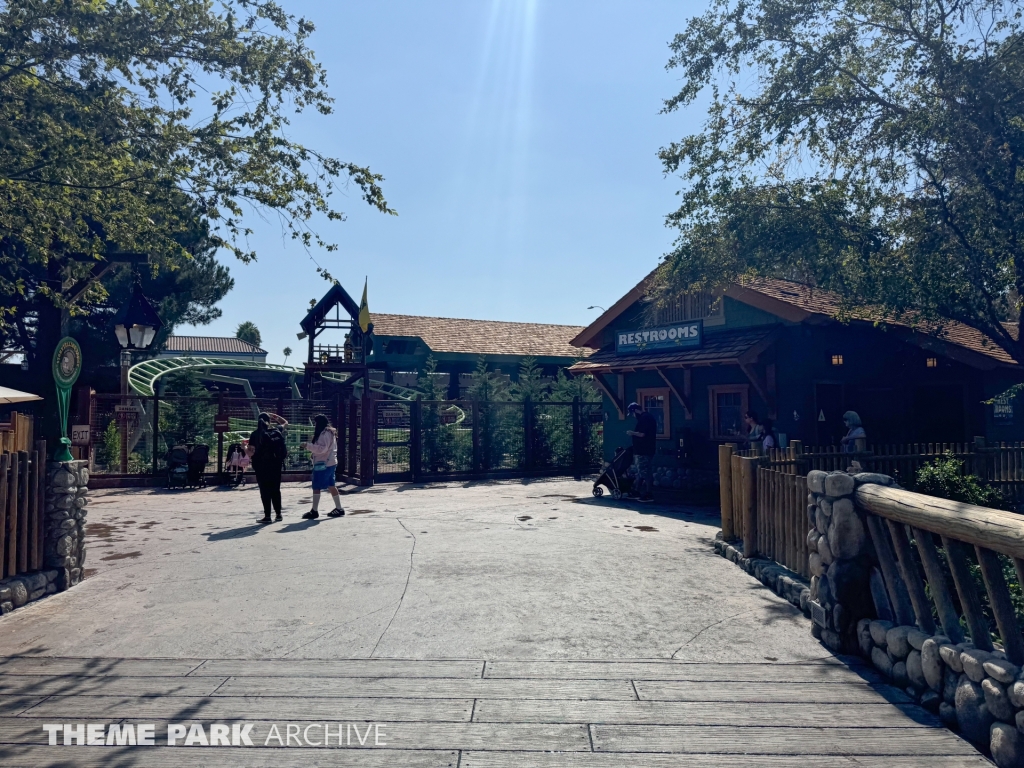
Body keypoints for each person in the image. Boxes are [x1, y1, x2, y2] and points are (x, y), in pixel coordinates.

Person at [300, 414, 345, 519]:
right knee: (331, 485)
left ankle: (314, 510)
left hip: (323, 463)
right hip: (331, 462)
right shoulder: (330, 432)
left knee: (316, 486)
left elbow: (322, 449)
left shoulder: (324, 433)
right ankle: (339, 508)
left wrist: (308, 446)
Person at [246, 412, 289, 523]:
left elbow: (250, 453)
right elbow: (285, 422)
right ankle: (279, 514)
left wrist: (244, 447)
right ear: (269, 421)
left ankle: (267, 516)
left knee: (265, 490)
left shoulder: (255, 434)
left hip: (261, 466)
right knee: (275, 489)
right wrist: (275, 416)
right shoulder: (276, 430)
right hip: (276, 465)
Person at [625, 402, 657, 501]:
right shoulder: (648, 417)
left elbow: (642, 434)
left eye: (633, 414)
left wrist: (632, 433)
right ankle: (636, 491)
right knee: (640, 471)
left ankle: (648, 494)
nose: (634, 416)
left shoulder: (644, 418)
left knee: (645, 471)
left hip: (644, 449)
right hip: (646, 449)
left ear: (635, 410)